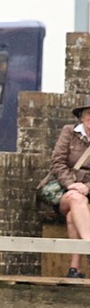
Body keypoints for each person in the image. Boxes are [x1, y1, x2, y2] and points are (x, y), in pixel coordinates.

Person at [51, 97, 90, 278]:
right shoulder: (69, 132)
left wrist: (87, 187)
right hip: (68, 191)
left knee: (72, 216)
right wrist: (71, 184)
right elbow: (57, 162)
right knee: (75, 198)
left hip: (88, 192)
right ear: (82, 117)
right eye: (89, 114)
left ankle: (74, 269)